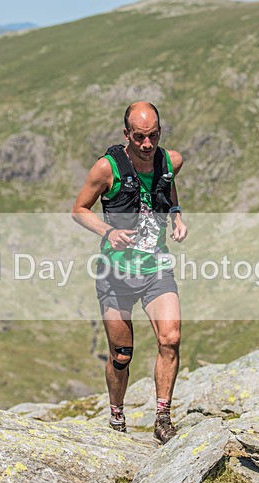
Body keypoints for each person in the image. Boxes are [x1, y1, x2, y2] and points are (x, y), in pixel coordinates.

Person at [71, 101, 188, 444]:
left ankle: (162, 418)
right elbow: (79, 209)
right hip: (116, 273)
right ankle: (117, 416)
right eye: (139, 137)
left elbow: (168, 184)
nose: (147, 144)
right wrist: (107, 232)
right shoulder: (106, 169)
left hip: (156, 267)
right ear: (126, 134)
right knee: (121, 355)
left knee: (170, 338)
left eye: (153, 136)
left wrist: (176, 215)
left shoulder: (171, 160)